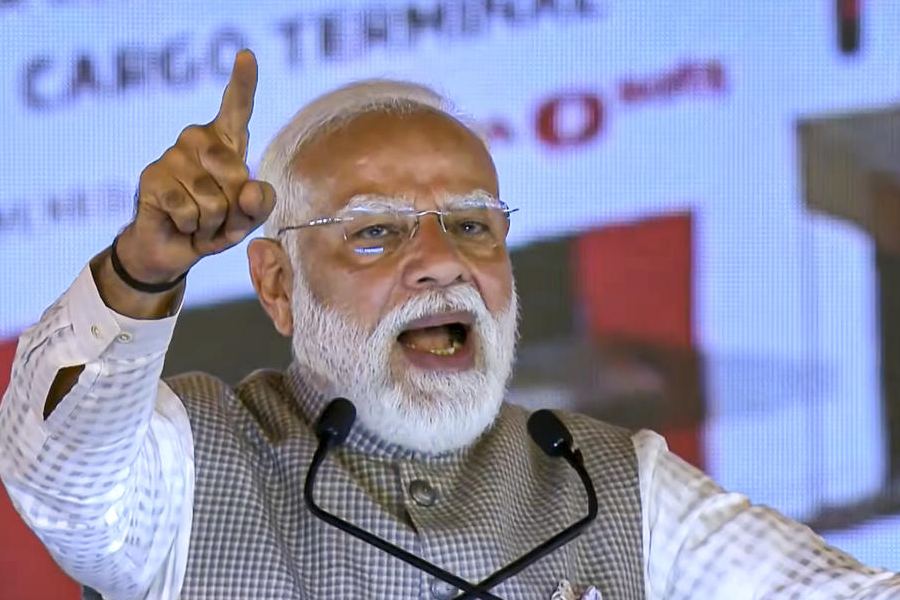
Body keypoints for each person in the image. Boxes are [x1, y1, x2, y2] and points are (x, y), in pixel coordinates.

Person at [0, 49, 897, 600]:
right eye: (376, 232)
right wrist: (141, 273)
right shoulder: (194, 465)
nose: (441, 261)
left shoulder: (615, 484)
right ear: (276, 284)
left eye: (471, 225)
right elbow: (57, 479)